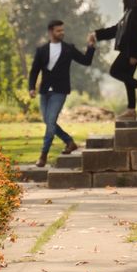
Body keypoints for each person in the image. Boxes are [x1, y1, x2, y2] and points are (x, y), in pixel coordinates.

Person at [27, 19, 95, 168]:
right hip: (44, 91)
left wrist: (91, 46)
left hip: (60, 91)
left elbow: (86, 61)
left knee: (50, 121)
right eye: (59, 31)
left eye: (63, 30)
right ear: (51, 32)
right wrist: (31, 87)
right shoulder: (42, 50)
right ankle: (69, 142)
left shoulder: (69, 49)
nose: (62, 33)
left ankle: (43, 155)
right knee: (48, 121)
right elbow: (34, 71)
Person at [94, 0, 137, 120]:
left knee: (115, 71)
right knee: (127, 78)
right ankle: (131, 111)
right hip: (130, 51)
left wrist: (134, 54)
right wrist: (96, 34)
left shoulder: (136, 13)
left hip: (131, 51)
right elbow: (116, 30)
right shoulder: (129, 13)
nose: (122, 1)